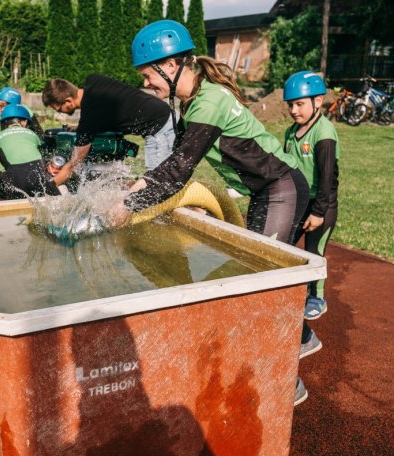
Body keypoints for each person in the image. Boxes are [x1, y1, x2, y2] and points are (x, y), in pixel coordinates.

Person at [108, 20, 311, 404]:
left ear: (170, 67)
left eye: (147, 75)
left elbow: (180, 169)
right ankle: (298, 337)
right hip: (266, 191)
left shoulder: (209, 101)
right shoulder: (193, 103)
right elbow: (170, 166)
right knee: (248, 275)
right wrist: (130, 188)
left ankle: (288, 378)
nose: (146, 84)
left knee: (258, 282)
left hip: (282, 187)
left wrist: (127, 207)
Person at [283, 70, 339, 361]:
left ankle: (316, 296)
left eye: (300, 104)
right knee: (286, 248)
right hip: (300, 201)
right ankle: (293, 290)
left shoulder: (324, 133)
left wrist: (319, 212)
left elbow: (328, 178)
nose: (294, 110)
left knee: (315, 251)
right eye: (290, 104)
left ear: (318, 101)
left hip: (322, 206)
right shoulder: (291, 133)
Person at [41, 73, 176, 185]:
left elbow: (73, 165)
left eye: (59, 109)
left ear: (68, 101)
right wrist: (79, 128)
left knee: (157, 184)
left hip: (159, 127)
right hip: (164, 114)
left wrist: (50, 187)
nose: (61, 113)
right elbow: (110, 108)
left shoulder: (90, 117)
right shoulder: (94, 80)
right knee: (158, 181)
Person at [0, 104, 60, 199]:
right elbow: (41, 156)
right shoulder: (33, 134)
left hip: (15, 178)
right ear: (25, 122)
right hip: (39, 175)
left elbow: (4, 163)